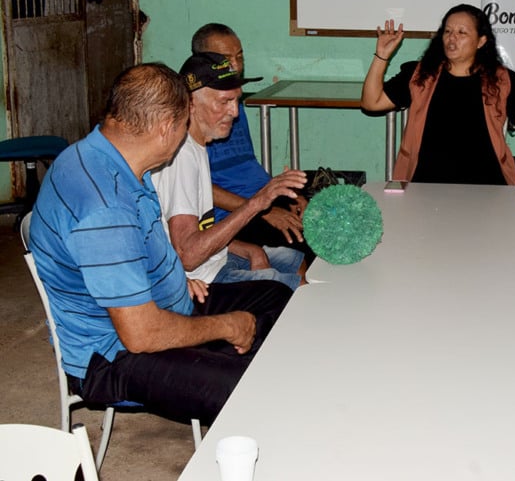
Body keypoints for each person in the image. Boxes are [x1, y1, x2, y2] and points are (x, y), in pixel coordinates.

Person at [28, 63, 299, 423]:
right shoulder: (104, 208)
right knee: (253, 390)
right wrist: (226, 325)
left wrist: (172, 275)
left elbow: (134, 249)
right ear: (166, 128)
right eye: (185, 124)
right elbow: (142, 335)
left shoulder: (107, 155)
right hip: (115, 354)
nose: (187, 134)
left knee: (278, 299)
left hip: (157, 307)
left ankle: (239, 370)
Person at [152, 52, 308, 290]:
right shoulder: (181, 156)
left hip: (216, 259)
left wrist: (250, 249)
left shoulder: (197, 145)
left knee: (295, 261)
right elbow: (187, 255)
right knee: (297, 291)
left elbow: (202, 230)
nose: (235, 112)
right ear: (190, 103)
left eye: (236, 101)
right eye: (224, 102)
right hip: (200, 282)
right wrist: (257, 203)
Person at [361, 3, 515, 185]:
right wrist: (382, 55)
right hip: (426, 183)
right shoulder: (420, 74)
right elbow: (371, 103)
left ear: (481, 41)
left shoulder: (501, 80)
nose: (452, 38)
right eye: (448, 31)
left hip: (486, 184)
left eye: (462, 33)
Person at [191, 23, 310, 255]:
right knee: (307, 244)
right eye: (226, 59)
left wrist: (285, 194)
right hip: (232, 214)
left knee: (327, 222)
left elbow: (247, 169)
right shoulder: (193, 112)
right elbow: (197, 186)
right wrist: (263, 210)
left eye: (239, 57)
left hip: (261, 200)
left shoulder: (233, 103)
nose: (235, 66)